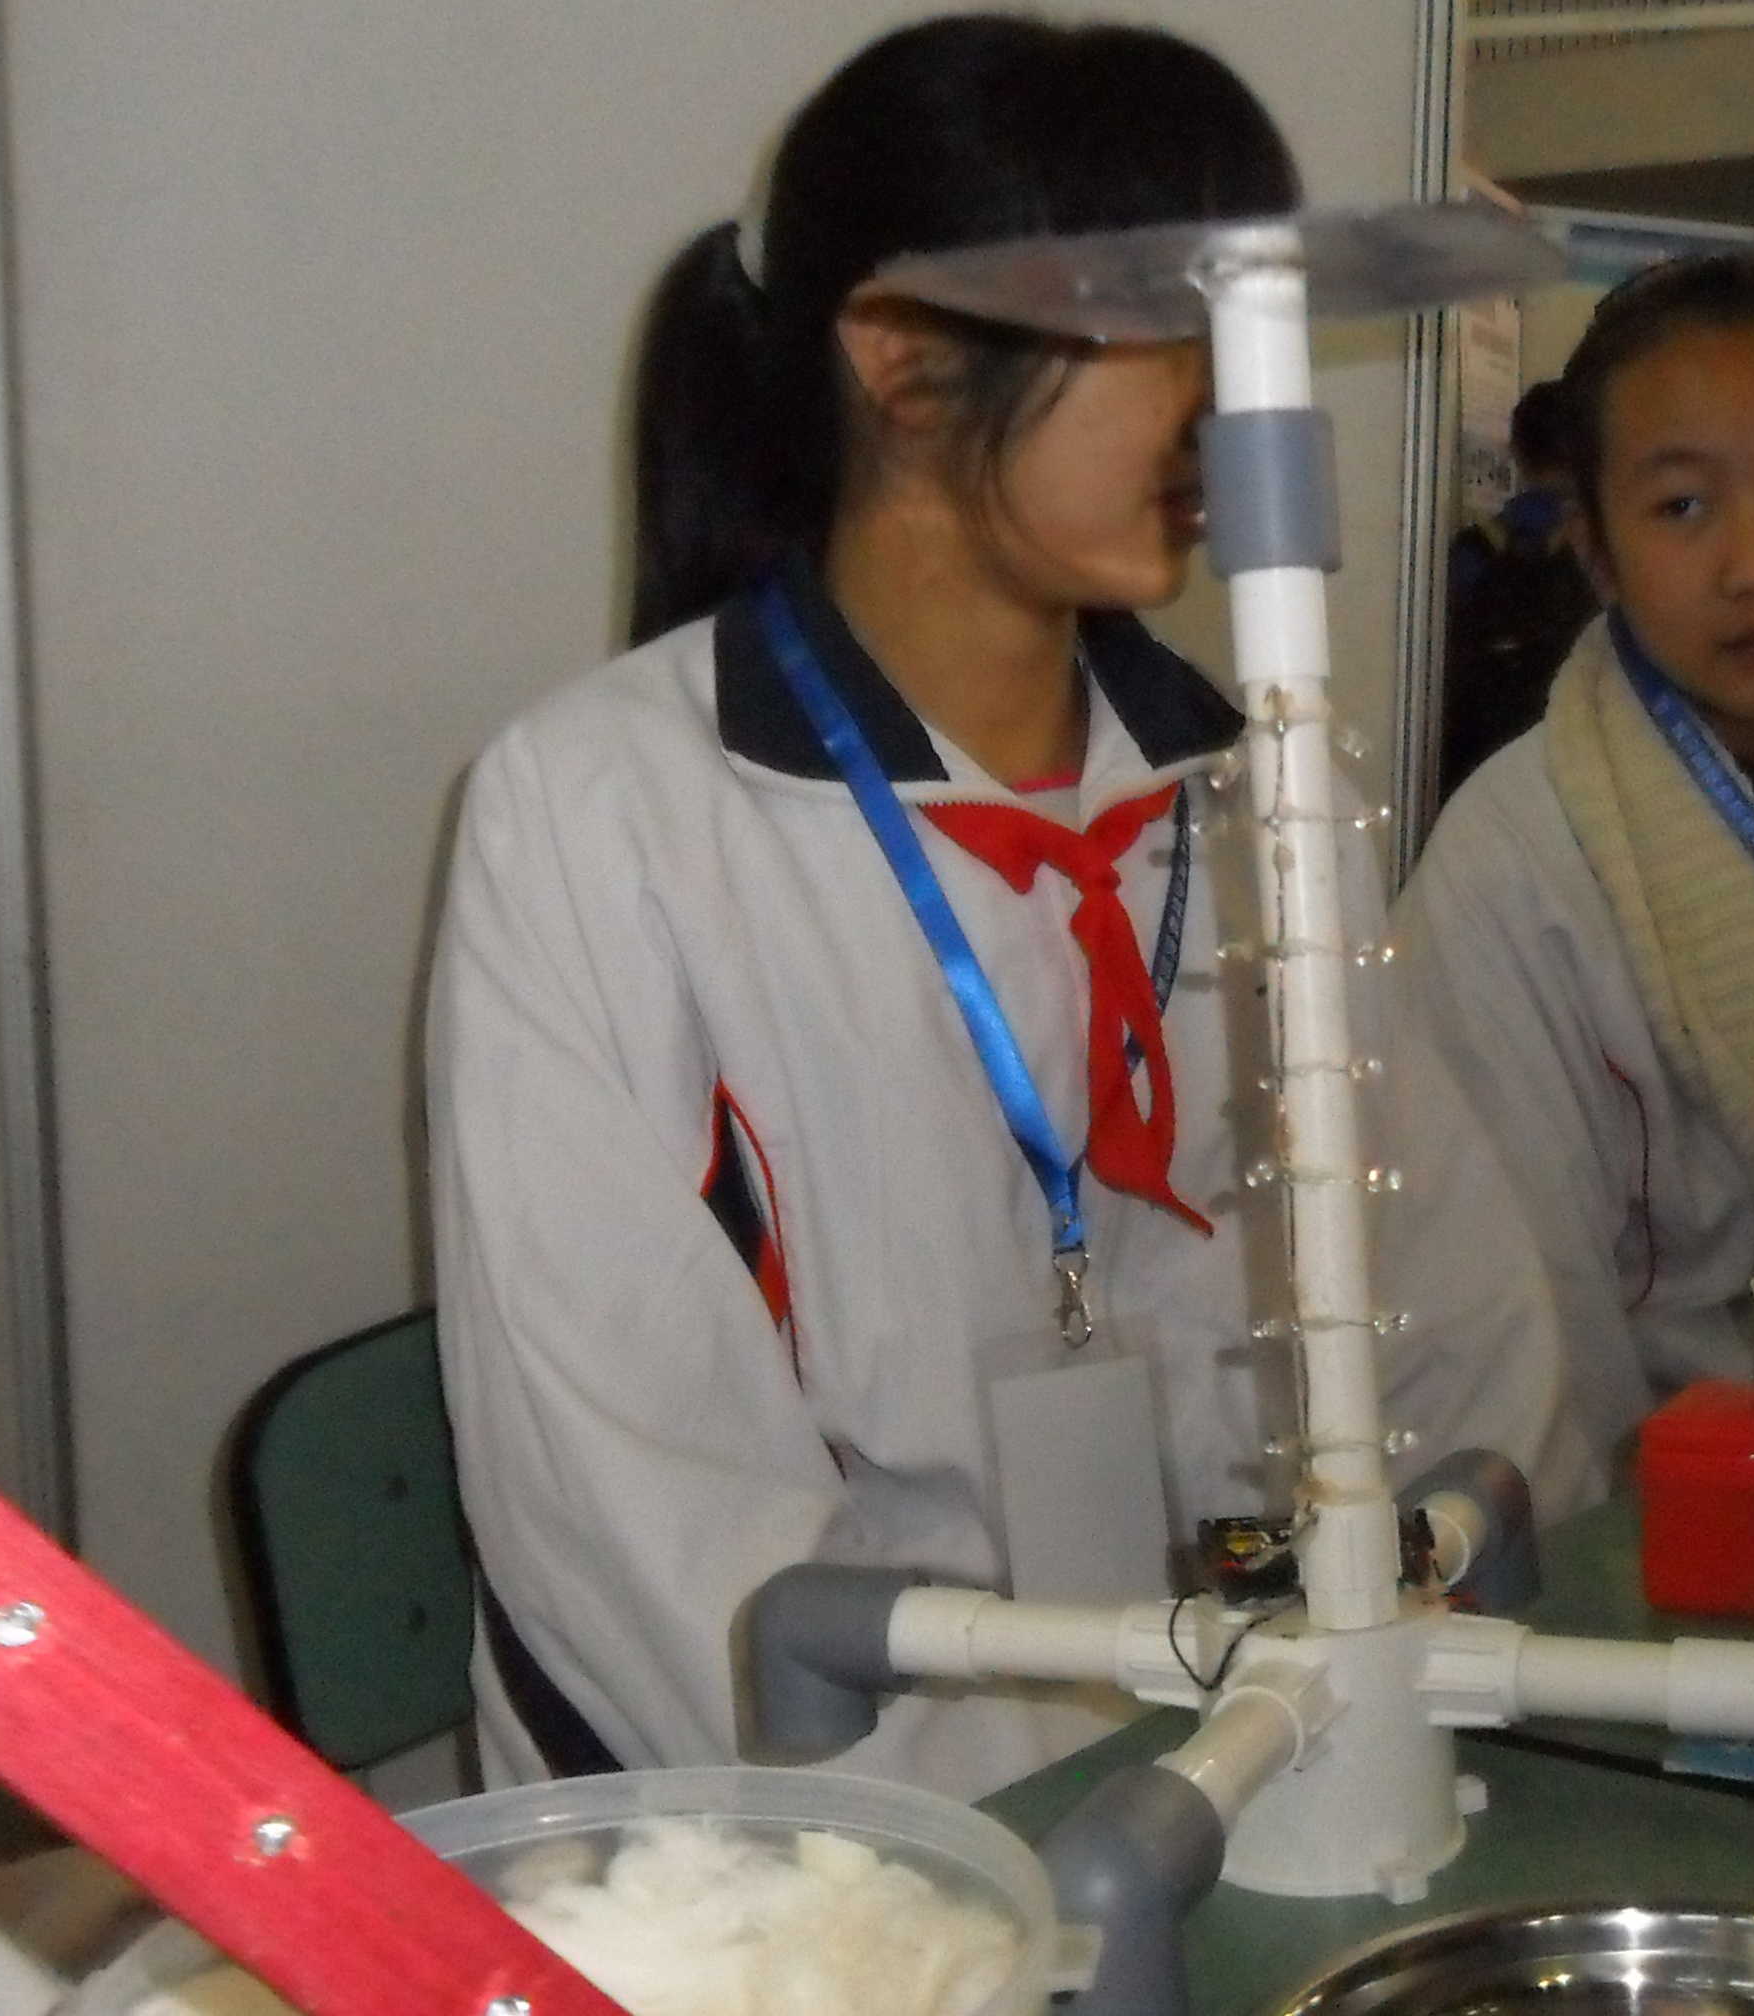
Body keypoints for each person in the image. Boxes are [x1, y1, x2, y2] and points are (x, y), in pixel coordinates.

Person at [427, 16, 1593, 1800]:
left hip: (1258, 1759)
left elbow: (1451, 1319)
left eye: (1251, 319)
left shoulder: (1249, 789)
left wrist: (1357, 1672)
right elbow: (650, 1530)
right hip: (831, 1842)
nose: (1233, 394)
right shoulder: (601, 818)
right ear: (902, 359)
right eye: (1162, 318)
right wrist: (1092, 1817)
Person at [1395, 253, 1754, 1461]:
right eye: (1680, 507)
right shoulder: (1514, 869)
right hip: (1660, 1516)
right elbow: (1525, 1330)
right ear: (1596, 554)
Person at [1438, 382, 1601, 801]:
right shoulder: (1612, 551)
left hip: (1476, 764)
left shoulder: (1472, 551)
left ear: (1517, 453)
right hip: (1578, 763)